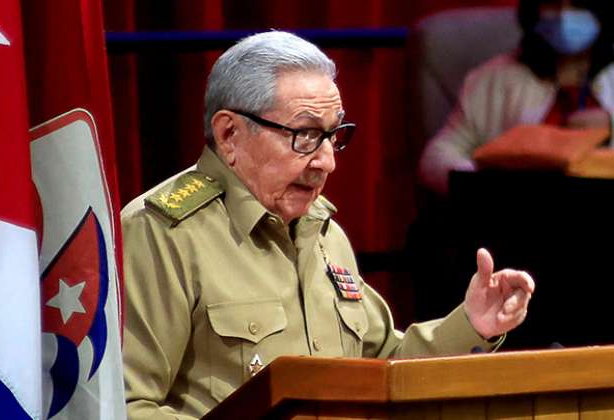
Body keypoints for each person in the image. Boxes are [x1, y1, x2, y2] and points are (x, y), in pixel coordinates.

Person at [121, 31, 535, 419]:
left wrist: (473, 324)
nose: (327, 162)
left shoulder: (322, 233)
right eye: (304, 135)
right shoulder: (160, 233)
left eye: (332, 136)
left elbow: (383, 369)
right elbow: (125, 404)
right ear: (229, 134)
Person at [419, 0, 614, 195]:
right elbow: (438, 156)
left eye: (578, 6)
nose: (564, 16)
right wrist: (480, 184)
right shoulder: (493, 79)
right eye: (552, 3)